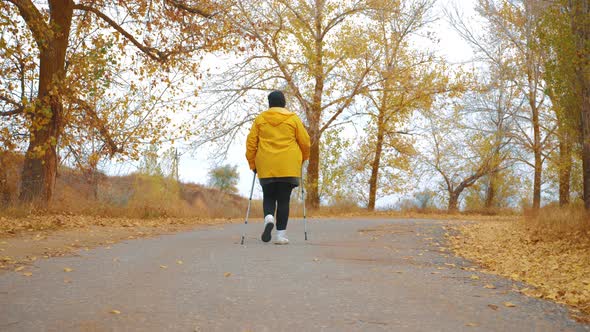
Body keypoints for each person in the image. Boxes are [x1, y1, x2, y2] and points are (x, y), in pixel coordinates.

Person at [245, 90, 310, 244]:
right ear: (284, 103)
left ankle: (268, 217)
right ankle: (280, 236)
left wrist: (253, 163)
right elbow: (305, 142)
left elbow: (251, 143)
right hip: (288, 166)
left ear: (269, 103)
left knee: (268, 195)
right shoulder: (293, 119)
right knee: (283, 200)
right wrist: (303, 158)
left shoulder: (260, 119)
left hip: (266, 165)